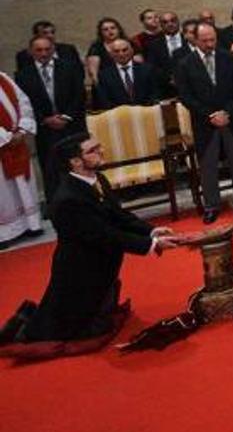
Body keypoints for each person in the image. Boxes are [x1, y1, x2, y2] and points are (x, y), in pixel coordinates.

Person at [0, 134, 177, 352]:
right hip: (80, 272)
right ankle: (22, 330)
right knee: (68, 329)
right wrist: (151, 244)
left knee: (100, 314)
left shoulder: (97, 179)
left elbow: (117, 215)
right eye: (92, 150)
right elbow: (105, 235)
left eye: (99, 146)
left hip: (101, 263)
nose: (101, 151)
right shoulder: (68, 200)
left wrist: (150, 231)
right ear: (75, 161)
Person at [175, 24, 233, 223]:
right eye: (205, 41)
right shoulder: (185, 64)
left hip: (231, 119)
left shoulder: (230, 58)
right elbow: (185, 96)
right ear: (195, 40)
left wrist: (226, 112)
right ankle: (212, 205)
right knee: (208, 165)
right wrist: (211, 115)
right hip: (205, 123)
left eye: (213, 40)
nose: (210, 44)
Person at [15, 34, 88, 201]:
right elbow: (25, 103)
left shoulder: (69, 67)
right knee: (51, 168)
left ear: (53, 49)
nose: (44, 53)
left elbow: (79, 94)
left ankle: (85, 198)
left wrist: (66, 117)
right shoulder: (23, 75)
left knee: (78, 162)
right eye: (39, 50)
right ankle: (56, 203)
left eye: (47, 49)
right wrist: (45, 119)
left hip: (72, 125)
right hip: (45, 130)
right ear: (31, 51)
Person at [0, 70, 41, 247]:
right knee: (4, 194)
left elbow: (23, 102)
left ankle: (30, 225)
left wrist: (22, 129)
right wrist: (6, 137)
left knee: (24, 186)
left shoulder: (3, 78)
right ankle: (5, 234)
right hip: (3, 145)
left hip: (17, 140)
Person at [92, 38, 157, 109]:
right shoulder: (104, 75)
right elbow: (104, 101)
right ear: (111, 54)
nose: (121, 54)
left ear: (132, 51)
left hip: (146, 112)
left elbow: (154, 94)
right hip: (118, 113)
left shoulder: (147, 70)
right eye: (116, 51)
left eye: (125, 50)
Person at [143, 11, 187, 97]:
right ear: (161, 25)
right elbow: (152, 66)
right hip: (166, 89)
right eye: (165, 22)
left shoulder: (188, 39)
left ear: (178, 22)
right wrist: (169, 79)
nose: (170, 24)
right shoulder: (154, 44)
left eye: (173, 20)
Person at [14, 21, 81, 73]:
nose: (50, 36)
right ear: (36, 35)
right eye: (45, 33)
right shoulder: (24, 55)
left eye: (52, 32)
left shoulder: (68, 50)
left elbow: (79, 71)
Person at [86, 17, 127, 82]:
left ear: (119, 29)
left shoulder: (129, 43)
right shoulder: (97, 48)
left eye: (113, 28)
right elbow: (93, 72)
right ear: (101, 32)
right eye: (106, 29)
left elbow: (139, 63)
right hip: (106, 82)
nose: (110, 31)